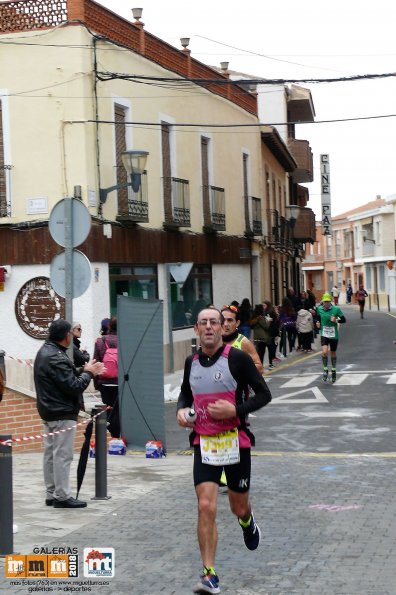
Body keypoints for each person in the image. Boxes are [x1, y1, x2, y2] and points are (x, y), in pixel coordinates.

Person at [176, 308, 272, 594]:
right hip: (204, 443)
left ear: (222, 329)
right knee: (205, 505)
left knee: (237, 506)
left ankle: (247, 521)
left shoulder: (238, 359)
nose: (208, 327)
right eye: (203, 323)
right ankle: (209, 574)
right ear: (196, 329)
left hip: (235, 442)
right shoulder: (190, 362)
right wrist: (182, 410)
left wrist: (236, 409)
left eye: (214, 322)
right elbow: (185, 393)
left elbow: (264, 393)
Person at [34, 319, 104, 508]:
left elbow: (64, 377)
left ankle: (51, 493)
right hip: (61, 412)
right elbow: (73, 386)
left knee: (50, 454)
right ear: (66, 336)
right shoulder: (56, 356)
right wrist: (88, 374)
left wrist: (85, 370)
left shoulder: (46, 351)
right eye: (71, 334)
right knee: (62, 455)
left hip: (49, 411)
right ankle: (62, 496)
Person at [93, 316, 120, 438]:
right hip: (120, 382)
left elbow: (96, 362)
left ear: (109, 326)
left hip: (104, 382)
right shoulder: (125, 340)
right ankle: (117, 436)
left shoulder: (100, 341)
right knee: (119, 410)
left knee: (107, 409)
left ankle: (109, 436)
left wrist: (97, 383)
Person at [221, 304, 263, 374]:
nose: (225, 324)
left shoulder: (244, 342)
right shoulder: (215, 342)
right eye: (223, 320)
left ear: (237, 323)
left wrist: (238, 369)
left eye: (230, 320)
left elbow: (260, 368)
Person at [316, 293, 346, 383]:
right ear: (323, 302)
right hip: (324, 333)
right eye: (325, 302)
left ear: (330, 301)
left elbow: (344, 320)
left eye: (328, 301)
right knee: (324, 352)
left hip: (333, 335)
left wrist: (336, 320)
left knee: (333, 352)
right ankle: (325, 369)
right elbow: (317, 318)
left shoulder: (336, 309)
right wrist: (317, 323)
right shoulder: (319, 309)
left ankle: (333, 370)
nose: (327, 303)